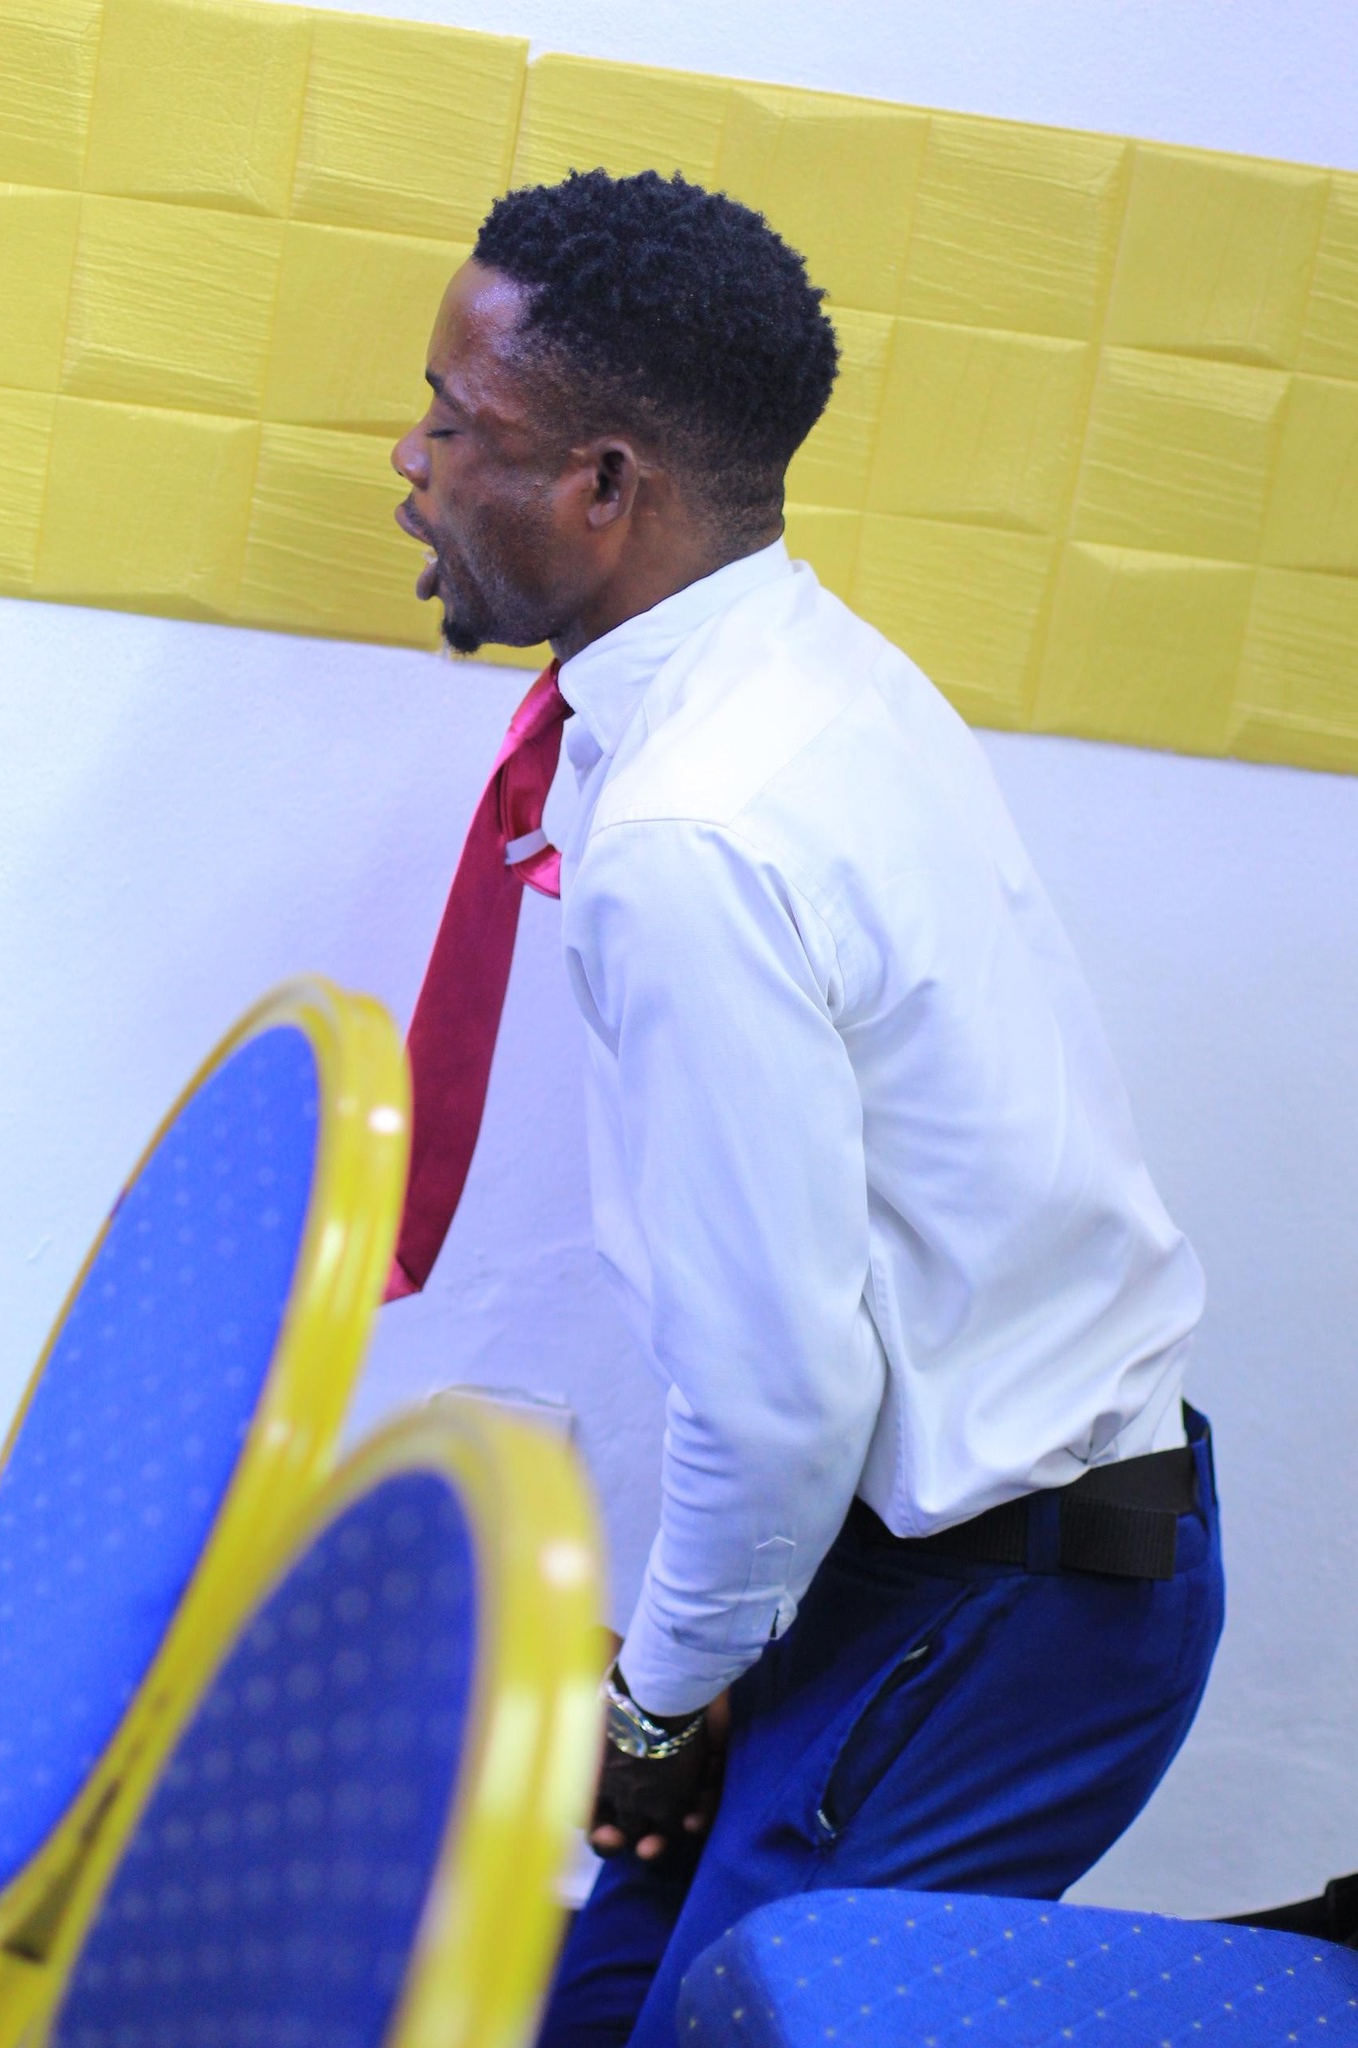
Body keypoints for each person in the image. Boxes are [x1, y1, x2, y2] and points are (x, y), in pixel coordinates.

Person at [389, 168, 1224, 2048]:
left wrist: (655, 1705)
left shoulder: (697, 828)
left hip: (1009, 1603)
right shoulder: (788, 665)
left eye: (456, 422)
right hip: (887, 1557)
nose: (410, 461)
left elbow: (775, 1392)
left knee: (721, 2024)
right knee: (596, 2008)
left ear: (606, 486)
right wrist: (692, 1675)